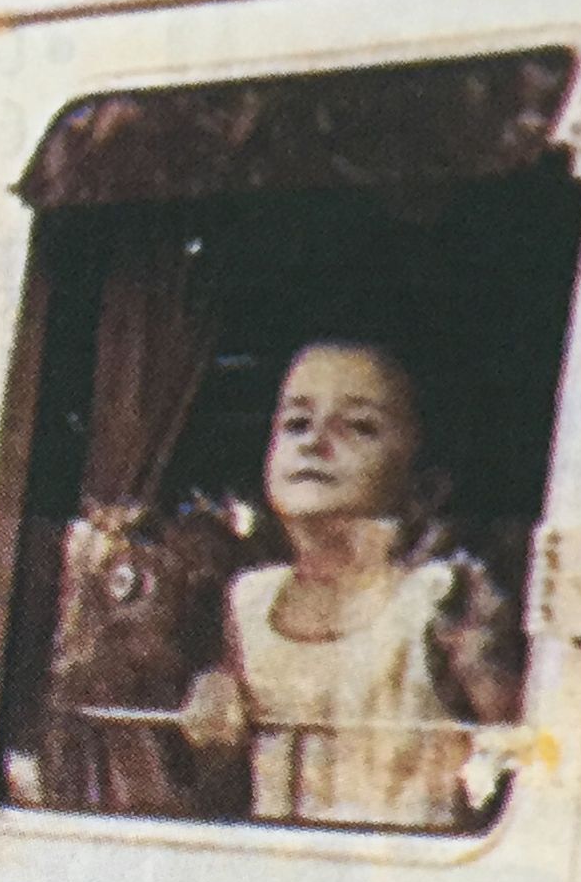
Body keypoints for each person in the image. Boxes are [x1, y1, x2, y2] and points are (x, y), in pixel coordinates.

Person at [171, 340, 522, 828]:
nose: (314, 443)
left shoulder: (437, 598)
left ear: (426, 486)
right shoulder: (249, 597)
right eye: (296, 423)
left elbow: (521, 752)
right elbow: (228, 777)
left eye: (358, 428)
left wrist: (485, 685)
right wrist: (215, 701)